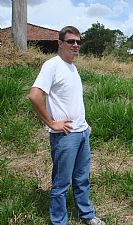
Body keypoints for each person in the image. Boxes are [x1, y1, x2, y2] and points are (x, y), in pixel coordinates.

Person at [28, 26, 105, 225]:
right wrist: (52, 123)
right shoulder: (52, 65)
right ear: (60, 43)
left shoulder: (72, 67)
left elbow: (72, 100)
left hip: (81, 133)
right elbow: (34, 96)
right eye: (71, 41)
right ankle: (58, 221)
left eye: (78, 41)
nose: (76, 45)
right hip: (65, 136)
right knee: (61, 183)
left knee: (82, 179)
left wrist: (85, 123)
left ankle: (87, 215)